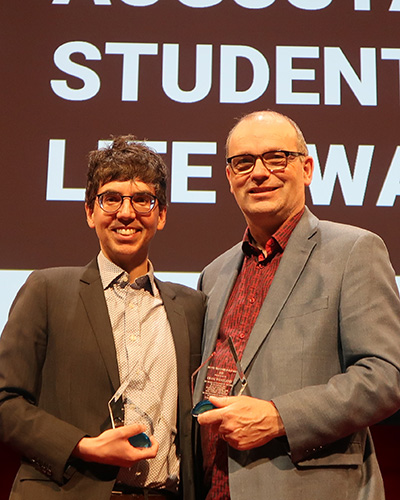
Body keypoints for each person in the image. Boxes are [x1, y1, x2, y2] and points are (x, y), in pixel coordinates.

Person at [193, 110, 400, 500]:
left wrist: (278, 417)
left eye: (276, 157)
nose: (259, 172)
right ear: (229, 178)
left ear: (306, 168)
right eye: (244, 162)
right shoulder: (213, 273)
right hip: (213, 488)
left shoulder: (355, 250)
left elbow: (386, 375)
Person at [0, 136, 206, 500]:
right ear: (89, 211)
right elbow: (5, 401)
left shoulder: (191, 307)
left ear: (162, 214)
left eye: (142, 199)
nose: (126, 213)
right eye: (111, 198)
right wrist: (82, 445)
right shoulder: (46, 289)